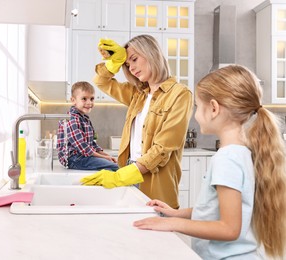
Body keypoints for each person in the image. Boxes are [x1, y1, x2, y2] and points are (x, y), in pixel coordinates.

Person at [133, 65, 286, 259]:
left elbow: (230, 228)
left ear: (214, 108)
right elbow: (215, 210)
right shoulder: (241, 153)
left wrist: (171, 224)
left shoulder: (227, 159)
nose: (195, 115)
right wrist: (175, 213)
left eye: (197, 107)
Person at [81, 35, 193, 209]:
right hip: (129, 170)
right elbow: (101, 82)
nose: (131, 68)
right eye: (127, 64)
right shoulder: (138, 94)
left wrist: (121, 176)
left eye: (134, 59)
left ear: (152, 53)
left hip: (153, 180)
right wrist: (114, 63)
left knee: (154, 231)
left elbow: (164, 148)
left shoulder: (180, 94)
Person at [56, 81, 118, 171]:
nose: (89, 103)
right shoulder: (71, 118)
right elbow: (83, 146)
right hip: (74, 159)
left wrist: (106, 155)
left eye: (92, 99)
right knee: (114, 167)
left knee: (113, 165)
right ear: (73, 101)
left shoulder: (84, 118)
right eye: (84, 99)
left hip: (83, 157)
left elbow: (92, 143)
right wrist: (103, 158)